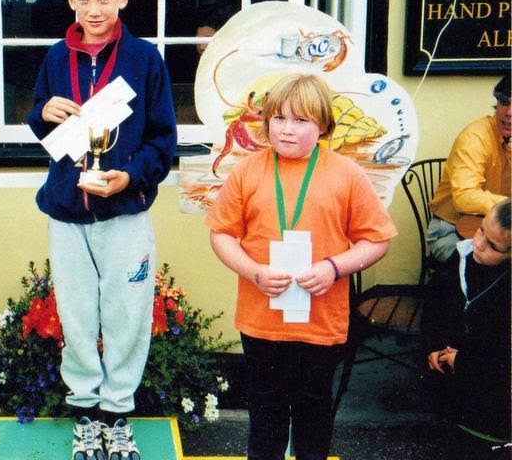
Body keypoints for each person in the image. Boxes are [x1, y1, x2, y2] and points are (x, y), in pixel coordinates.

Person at [27, 0, 176, 460]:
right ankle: (86, 416)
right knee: (76, 318)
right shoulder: (54, 57)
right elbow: (39, 123)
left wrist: (129, 178)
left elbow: (164, 142)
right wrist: (41, 111)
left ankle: (117, 416)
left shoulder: (143, 59)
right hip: (68, 215)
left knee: (128, 316)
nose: (95, 10)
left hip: (124, 211)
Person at [205, 73, 397, 460]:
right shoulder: (247, 171)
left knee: (313, 408)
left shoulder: (346, 174)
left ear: (323, 126)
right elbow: (221, 234)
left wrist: (334, 268)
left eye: (301, 120)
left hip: (321, 317)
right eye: (279, 119)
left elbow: (378, 239)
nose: (287, 130)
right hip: (262, 316)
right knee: (265, 407)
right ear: (266, 122)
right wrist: (253, 271)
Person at [422, 198, 510, 458]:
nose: (478, 244)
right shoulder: (461, 258)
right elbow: (434, 310)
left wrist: (463, 361)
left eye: (493, 246)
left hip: (493, 404)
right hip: (457, 386)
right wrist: (433, 346)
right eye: (481, 229)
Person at [427, 74, 511, 262]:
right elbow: (465, 198)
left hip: (499, 231)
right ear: (497, 103)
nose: (509, 112)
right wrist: (508, 207)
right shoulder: (475, 137)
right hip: (450, 231)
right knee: (497, 262)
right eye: (504, 102)